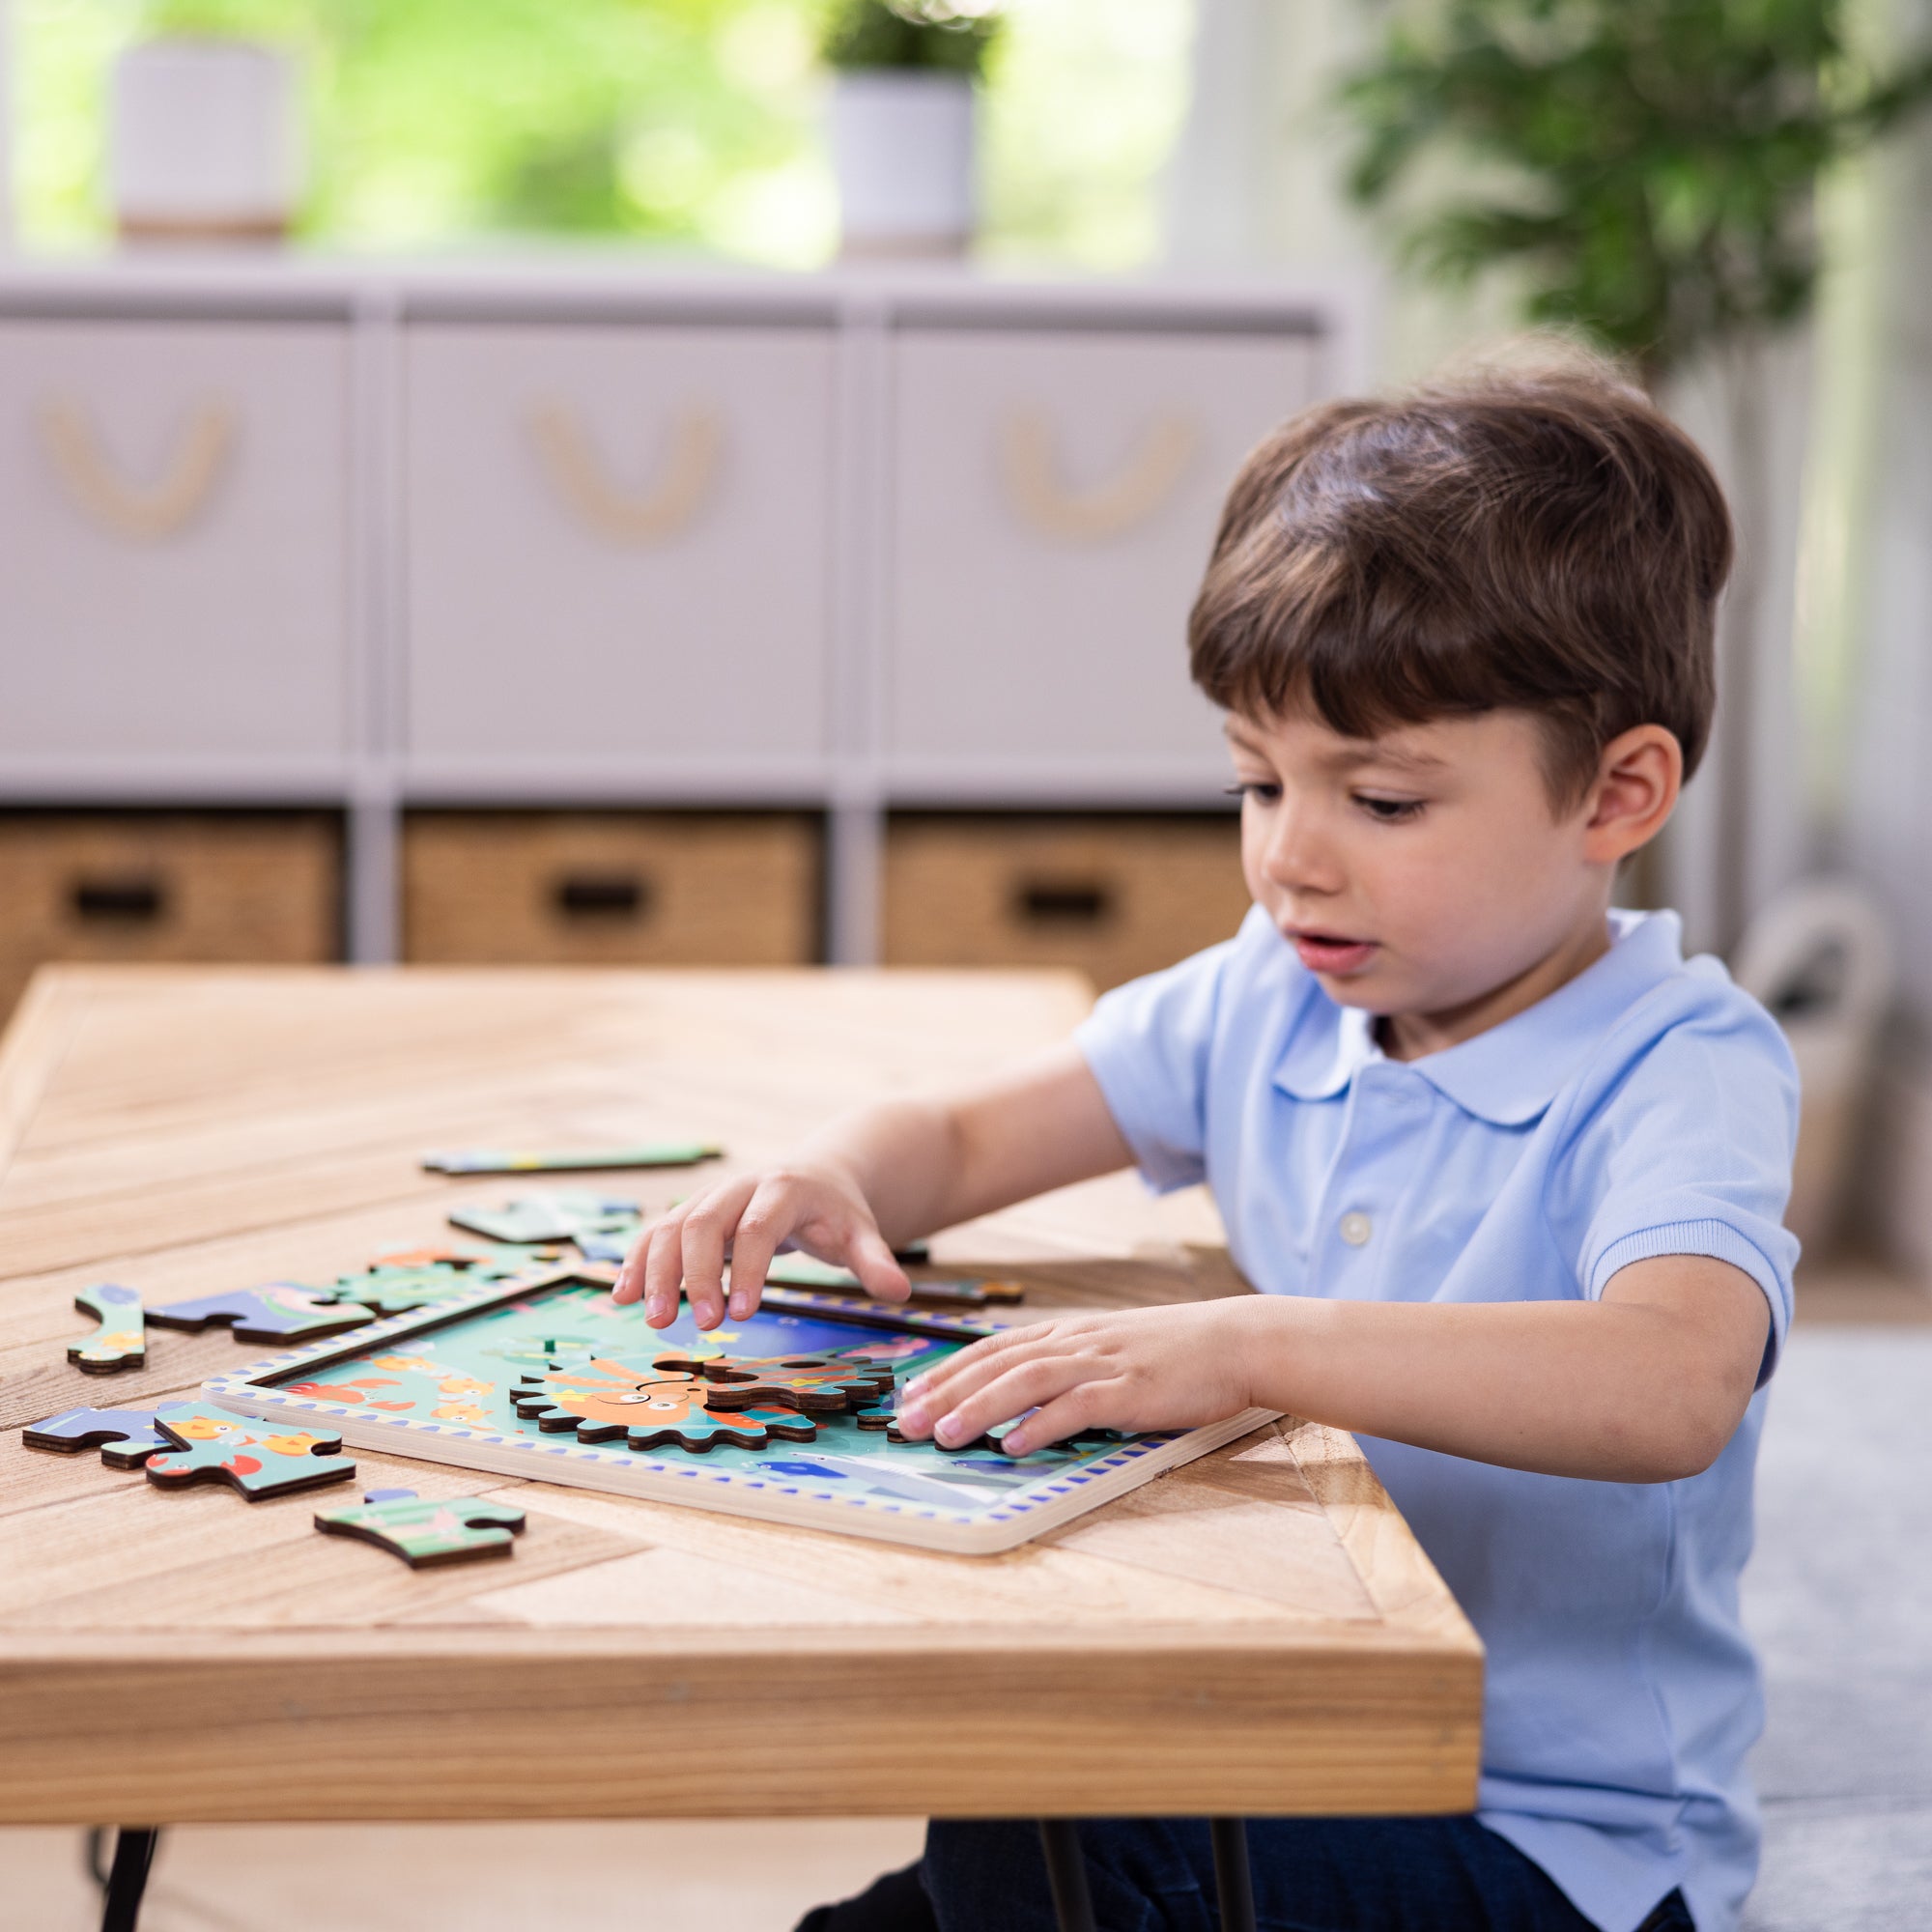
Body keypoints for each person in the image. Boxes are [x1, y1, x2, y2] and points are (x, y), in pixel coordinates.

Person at [613, 353, 1797, 1932]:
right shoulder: (1272, 994)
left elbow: (1672, 1384)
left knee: (1042, 1815)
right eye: (1256, 780)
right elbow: (962, 1134)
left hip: (1552, 1843)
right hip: (1291, 1734)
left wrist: (1249, 1346)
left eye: (1382, 802)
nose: (1289, 857)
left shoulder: (1681, 1065)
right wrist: (832, 1173)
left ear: (1619, 794)